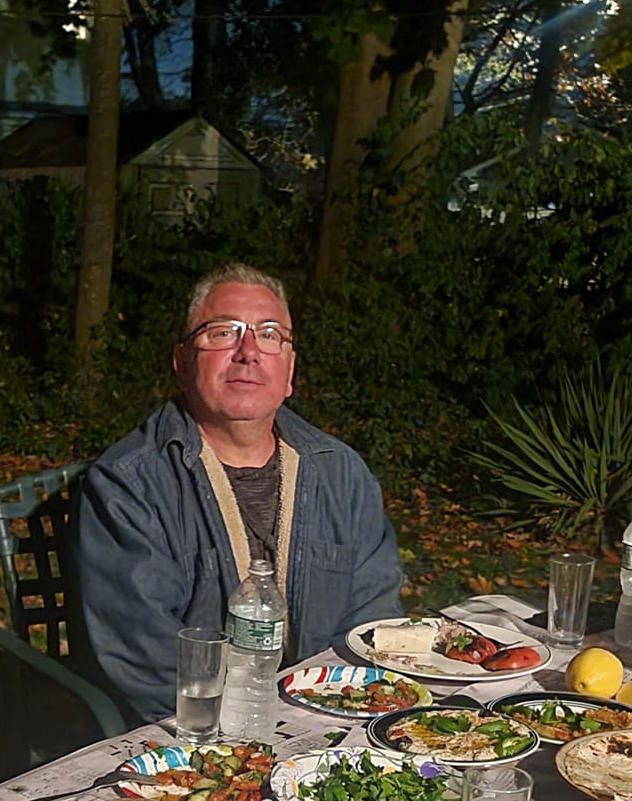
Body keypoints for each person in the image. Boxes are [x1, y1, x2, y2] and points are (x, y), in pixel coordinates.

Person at [73, 262, 403, 719]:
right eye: (223, 332)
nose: (248, 352)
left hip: (332, 722)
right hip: (194, 735)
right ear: (182, 362)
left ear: (289, 370)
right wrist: (256, 727)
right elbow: (148, 665)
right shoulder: (130, 484)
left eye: (269, 334)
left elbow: (372, 626)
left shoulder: (342, 475)